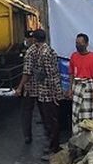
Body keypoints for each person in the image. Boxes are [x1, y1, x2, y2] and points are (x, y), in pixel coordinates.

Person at [16, 29, 61, 157]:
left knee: (49, 118)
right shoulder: (49, 51)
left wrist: (55, 94)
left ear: (34, 39)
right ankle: (51, 143)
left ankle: (53, 146)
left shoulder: (40, 53)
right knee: (48, 117)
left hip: (45, 90)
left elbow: (48, 75)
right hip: (44, 90)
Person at [68, 33, 93, 134]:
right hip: (77, 86)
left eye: (80, 43)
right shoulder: (73, 56)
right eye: (76, 43)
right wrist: (70, 89)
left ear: (86, 44)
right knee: (76, 113)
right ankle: (77, 135)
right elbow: (71, 73)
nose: (78, 45)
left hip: (88, 87)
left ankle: (88, 136)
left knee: (88, 114)